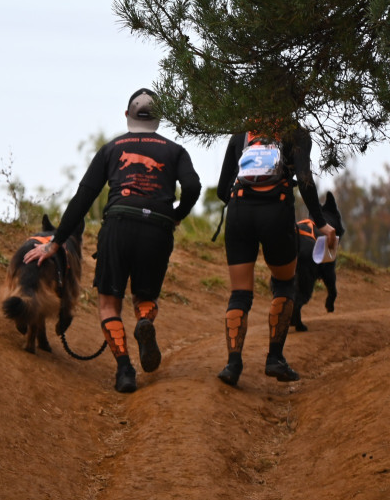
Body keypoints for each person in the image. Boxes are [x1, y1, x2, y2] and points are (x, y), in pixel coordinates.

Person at [24, 88, 201, 393]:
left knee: (109, 304)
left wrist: (55, 243)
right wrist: (176, 215)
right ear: (159, 118)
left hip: (119, 224)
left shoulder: (111, 149)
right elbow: (193, 186)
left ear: (126, 115)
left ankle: (125, 370)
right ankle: (144, 321)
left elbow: (83, 198)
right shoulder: (175, 151)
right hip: (157, 229)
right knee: (145, 298)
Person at [214, 124, 337, 387]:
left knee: (239, 293)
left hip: (239, 211)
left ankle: (233, 365)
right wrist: (320, 222)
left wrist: (243, 200)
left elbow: (222, 189)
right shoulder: (297, 133)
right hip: (276, 212)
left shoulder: (241, 134)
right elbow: (304, 179)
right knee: (283, 283)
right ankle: (275, 359)